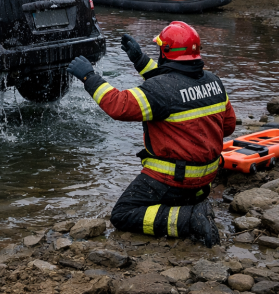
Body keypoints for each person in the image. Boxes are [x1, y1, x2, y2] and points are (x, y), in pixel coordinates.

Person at [66, 21, 235, 247]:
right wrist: (140, 60)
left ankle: (188, 220)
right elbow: (228, 126)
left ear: (165, 52)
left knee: (123, 214)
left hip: (176, 181)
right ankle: (194, 207)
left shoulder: (161, 90)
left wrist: (89, 77)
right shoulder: (215, 82)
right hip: (204, 183)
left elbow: (119, 106)